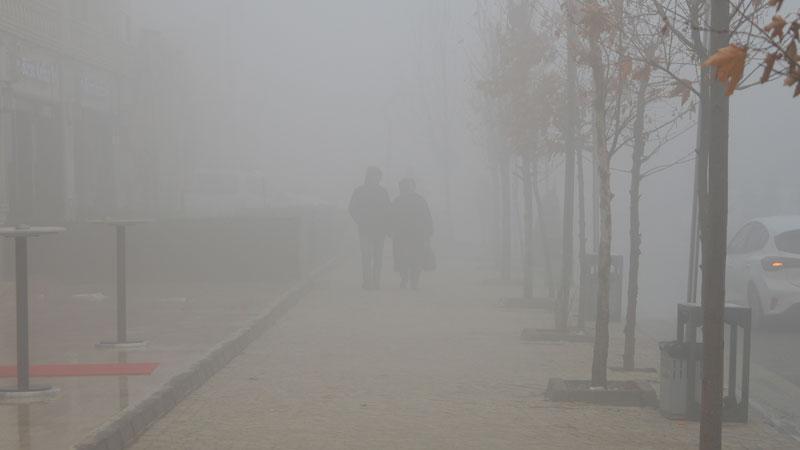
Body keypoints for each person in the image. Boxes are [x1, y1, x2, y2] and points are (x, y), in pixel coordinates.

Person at [349, 166, 391, 290]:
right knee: (366, 256)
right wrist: (360, 220)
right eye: (375, 175)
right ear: (369, 176)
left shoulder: (382, 192)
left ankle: (376, 282)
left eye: (378, 176)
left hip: (379, 230)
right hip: (366, 229)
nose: (377, 178)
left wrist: (388, 226)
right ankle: (368, 282)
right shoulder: (360, 191)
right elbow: (352, 208)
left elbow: (388, 210)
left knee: (377, 257)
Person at [391, 178, 434, 289]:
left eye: (409, 186)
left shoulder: (419, 200)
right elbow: (392, 217)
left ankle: (414, 282)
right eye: (405, 186)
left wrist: (428, 231)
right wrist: (391, 230)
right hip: (402, 236)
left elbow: (426, 216)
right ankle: (405, 279)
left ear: (413, 187)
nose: (407, 189)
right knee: (403, 259)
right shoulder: (398, 201)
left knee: (416, 260)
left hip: (417, 235)